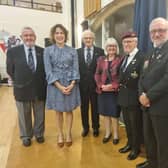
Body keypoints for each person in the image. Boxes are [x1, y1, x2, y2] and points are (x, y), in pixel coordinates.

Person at [6, 27, 46, 147]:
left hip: (39, 89)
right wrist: (20, 80)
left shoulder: (42, 51)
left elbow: (44, 70)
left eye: (31, 35)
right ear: (22, 37)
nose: (29, 37)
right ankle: (26, 136)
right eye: (26, 35)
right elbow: (10, 70)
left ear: (35, 37)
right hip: (21, 88)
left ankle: (39, 134)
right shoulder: (13, 52)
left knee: (40, 114)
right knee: (24, 115)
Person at [43, 24, 80, 147]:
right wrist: (59, 86)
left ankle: (68, 133)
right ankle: (60, 134)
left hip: (70, 83)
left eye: (62, 33)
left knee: (69, 110)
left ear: (65, 35)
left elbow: (76, 68)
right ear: (53, 36)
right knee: (58, 111)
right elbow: (48, 71)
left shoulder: (73, 50)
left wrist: (72, 84)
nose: (59, 35)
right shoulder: (47, 51)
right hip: (55, 84)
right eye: (57, 33)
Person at [138, 17, 168, 168]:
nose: (157, 34)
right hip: (147, 106)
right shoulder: (150, 53)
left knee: (163, 144)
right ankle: (152, 163)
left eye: (161, 30)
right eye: (153, 31)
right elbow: (142, 77)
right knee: (149, 139)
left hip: (162, 107)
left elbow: (166, 80)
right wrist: (141, 95)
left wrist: (148, 96)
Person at [118, 31, 144, 160]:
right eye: (124, 42)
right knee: (127, 123)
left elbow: (142, 80)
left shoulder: (141, 57)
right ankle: (129, 143)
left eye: (129, 41)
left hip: (134, 98)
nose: (127, 44)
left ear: (136, 42)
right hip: (123, 97)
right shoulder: (125, 57)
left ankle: (136, 148)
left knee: (135, 125)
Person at [94, 37, 122, 144]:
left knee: (114, 114)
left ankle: (115, 135)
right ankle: (107, 133)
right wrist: (100, 85)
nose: (111, 48)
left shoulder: (120, 59)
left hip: (114, 92)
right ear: (106, 47)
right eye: (109, 46)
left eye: (113, 46)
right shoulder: (101, 59)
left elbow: (121, 76)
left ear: (116, 48)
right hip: (103, 91)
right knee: (105, 113)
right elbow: (97, 74)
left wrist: (113, 85)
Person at [77, 30, 104, 137]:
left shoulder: (100, 51)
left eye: (90, 38)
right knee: (83, 107)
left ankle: (96, 127)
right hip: (82, 85)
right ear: (83, 40)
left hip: (95, 85)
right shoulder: (77, 52)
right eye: (86, 38)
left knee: (95, 107)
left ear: (93, 39)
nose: (88, 40)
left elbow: (103, 69)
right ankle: (85, 127)